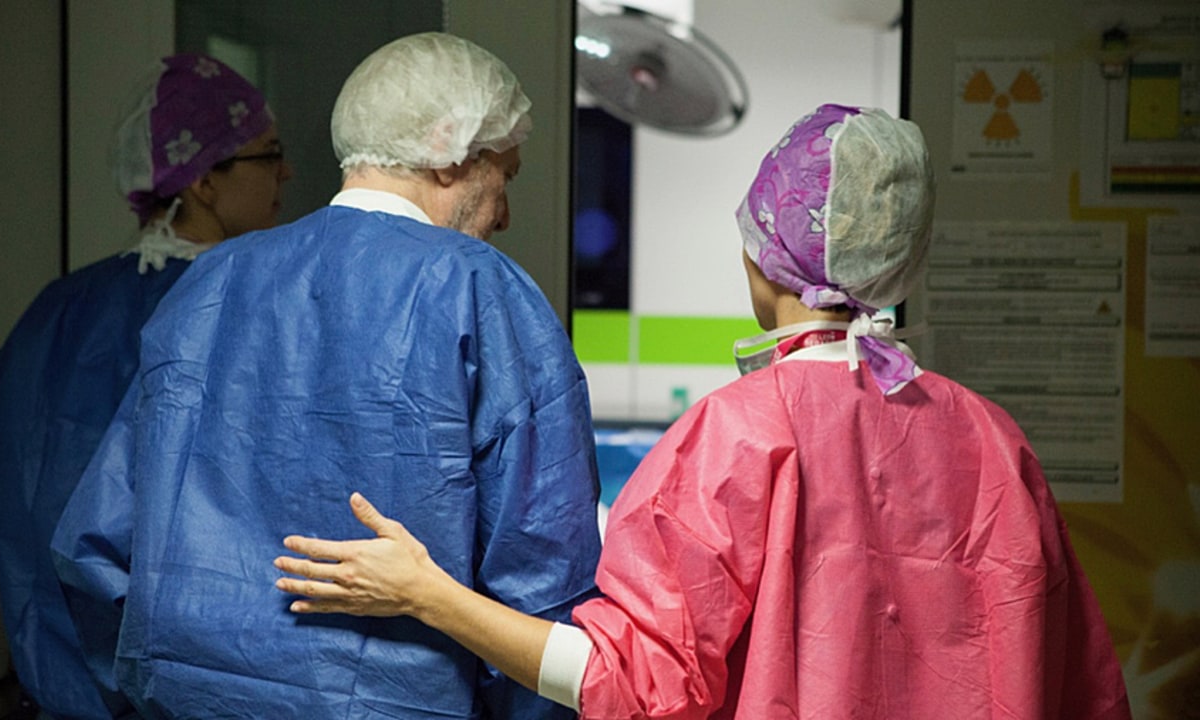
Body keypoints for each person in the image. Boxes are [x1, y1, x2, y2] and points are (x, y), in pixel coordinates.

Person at [273, 104, 1133, 719]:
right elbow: (1085, 686)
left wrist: (426, 595)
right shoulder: (992, 441)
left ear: (762, 254)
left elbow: (624, 679)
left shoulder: (743, 434)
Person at [50, 32, 602, 719]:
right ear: (450, 151)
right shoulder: (478, 289)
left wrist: (170, 688)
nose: (505, 215)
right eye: (505, 178)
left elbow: (94, 546)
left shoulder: (211, 284)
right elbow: (544, 577)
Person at [0, 53, 291, 719]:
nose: (286, 173)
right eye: (268, 154)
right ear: (203, 182)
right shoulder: (244, 306)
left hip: (61, 683)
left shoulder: (58, 311)